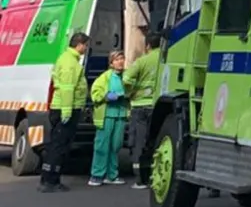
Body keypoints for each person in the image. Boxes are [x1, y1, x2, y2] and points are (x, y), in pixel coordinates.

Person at [40, 32, 90, 193]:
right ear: (80, 44)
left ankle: (48, 178)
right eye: (86, 45)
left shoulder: (67, 59)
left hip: (62, 107)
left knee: (56, 145)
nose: (86, 48)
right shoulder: (70, 63)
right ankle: (51, 181)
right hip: (66, 108)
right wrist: (67, 112)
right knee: (59, 146)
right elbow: (68, 88)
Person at [124, 31, 162, 190]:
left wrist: (129, 94)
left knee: (139, 142)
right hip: (157, 106)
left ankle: (141, 179)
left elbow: (126, 80)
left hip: (139, 106)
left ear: (147, 46)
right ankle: (155, 175)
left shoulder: (141, 62)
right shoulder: (165, 59)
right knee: (155, 141)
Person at [88, 51, 130, 187]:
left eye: (122, 59)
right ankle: (96, 175)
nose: (120, 62)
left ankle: (112, 175)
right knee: (102, 145)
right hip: (106, 115)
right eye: (117, 59)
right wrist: (108, 96)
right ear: (111, 63)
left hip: (121, 115)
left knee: (116, 146)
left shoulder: (126, 76)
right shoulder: (104, 77)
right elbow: (95, 93)